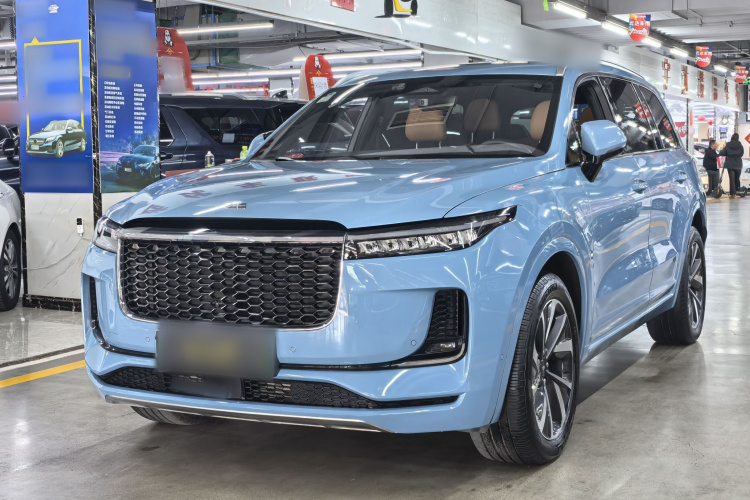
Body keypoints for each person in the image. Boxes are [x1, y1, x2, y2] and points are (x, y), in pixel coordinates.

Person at [720, 133, 745, 198]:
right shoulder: (740, 145)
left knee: (732, 180)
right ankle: (737, 191)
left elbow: (723, 152)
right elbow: (742, 153)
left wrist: (722, 150)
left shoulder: (728, 145)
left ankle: (733, 194)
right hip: (738, 164)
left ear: (732, 137)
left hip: (730, 164)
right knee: (737, 179)